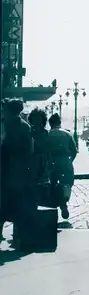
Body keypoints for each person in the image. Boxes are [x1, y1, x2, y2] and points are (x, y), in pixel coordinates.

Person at [0, 98, 35, 245]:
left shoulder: (4, 125)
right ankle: (17, 236)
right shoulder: (25, 127)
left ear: (7, 110)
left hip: (4, 169)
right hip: (19, 171)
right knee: (19, 204)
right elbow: (30, 151)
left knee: (2, 202)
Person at [47, 113, 78, 220]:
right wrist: (69, 161)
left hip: (53, 162)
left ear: (50, 124)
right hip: (66, 161)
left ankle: (60, 205)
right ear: (59, 123)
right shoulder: (67, 134)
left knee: (54, 184)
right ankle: (63, 202)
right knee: (67, 184)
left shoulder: (48, 135)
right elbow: (74, 150)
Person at [28, 108, 51, 199]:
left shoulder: (45, 133)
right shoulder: (29, 132)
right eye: (35, 119)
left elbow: (48, 148)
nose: (37, 121)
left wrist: (50, 161)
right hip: (32, 160)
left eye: (39, 119)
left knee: (42, 182)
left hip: (43, 160)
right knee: (32, 181)